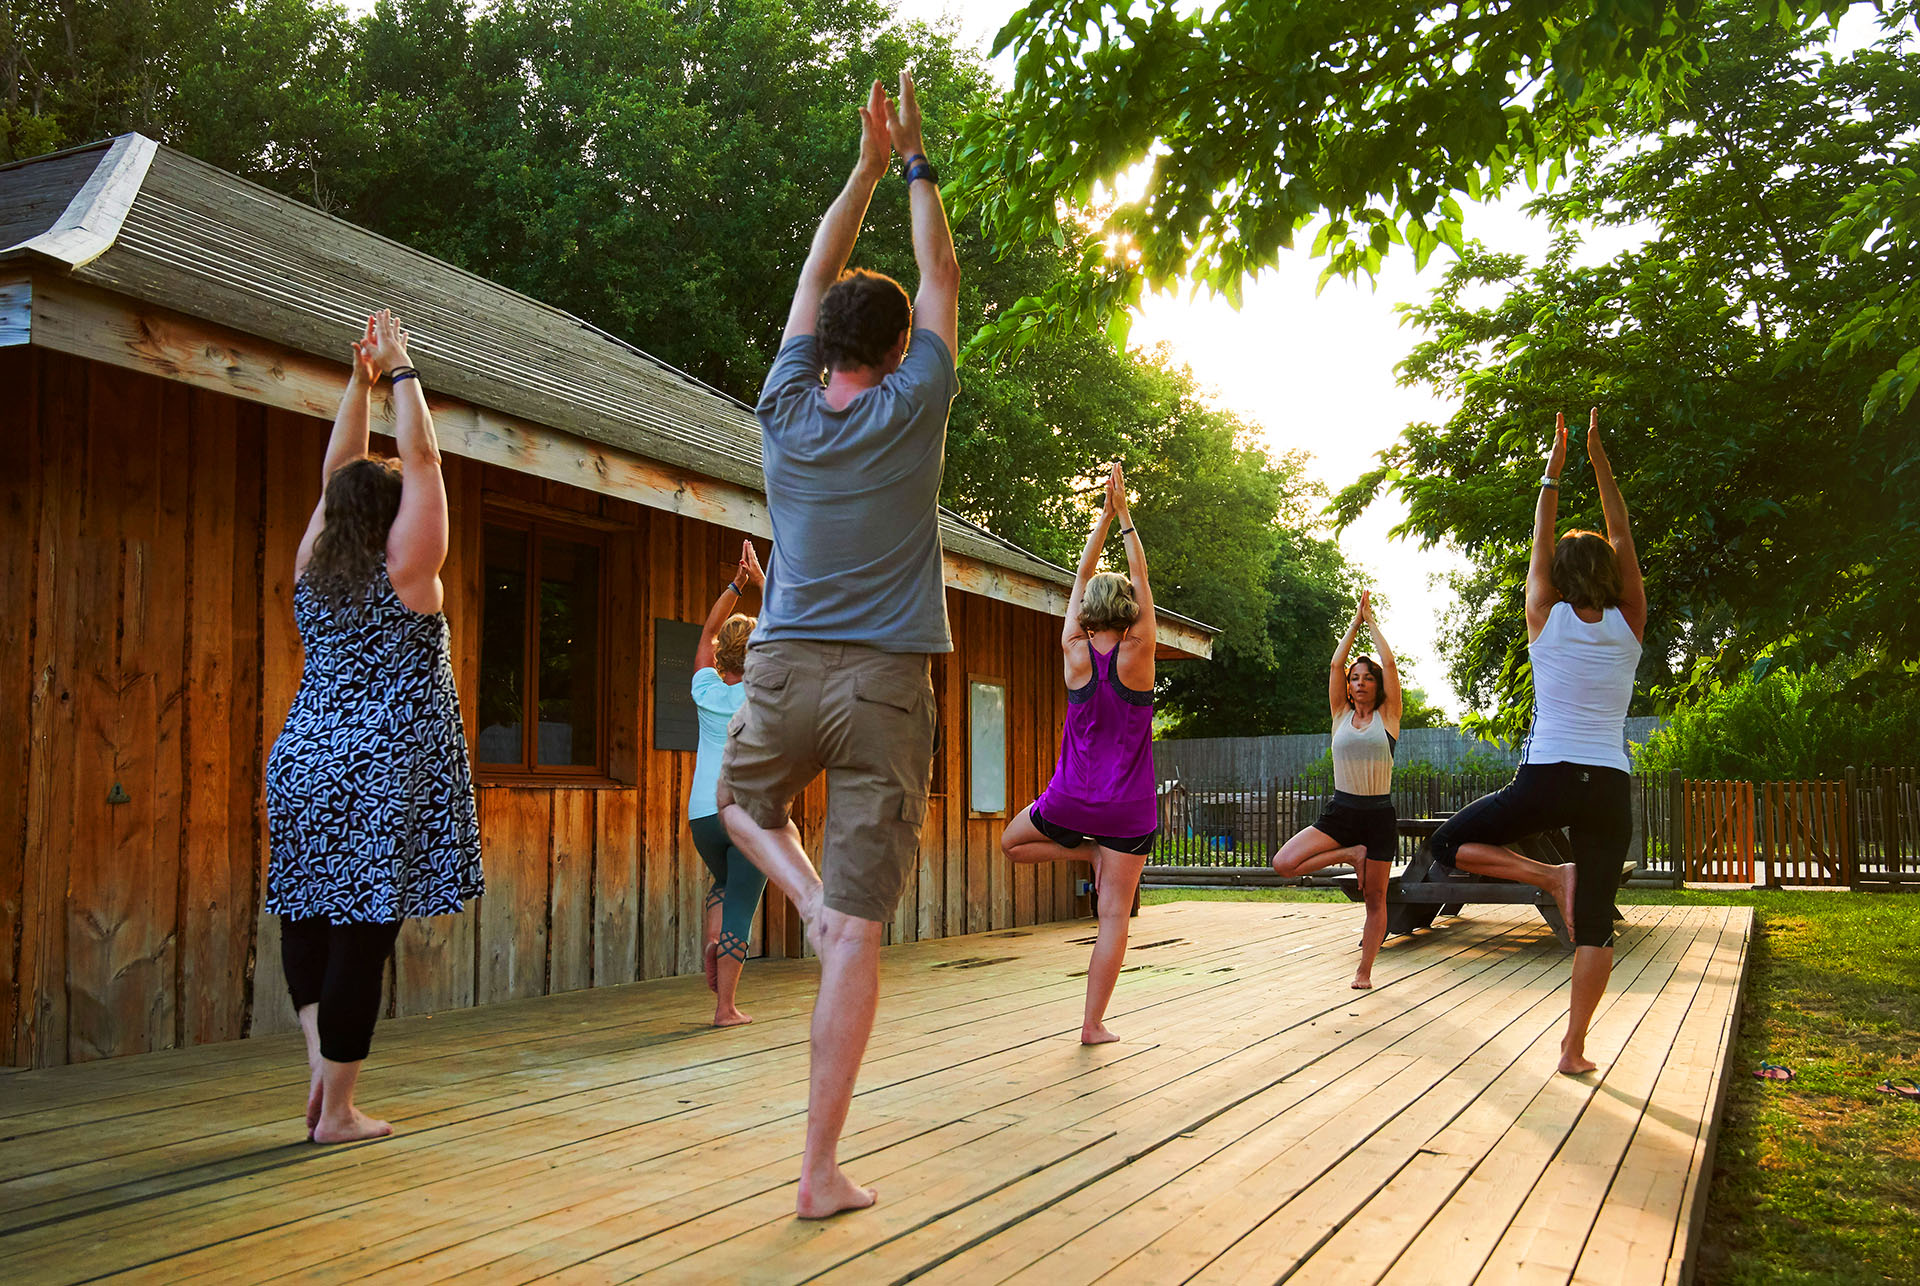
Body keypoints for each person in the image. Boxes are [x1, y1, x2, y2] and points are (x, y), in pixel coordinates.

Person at [717, 72, 960, 1218]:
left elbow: (817, 275)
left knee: (741, 807)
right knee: (857, 934)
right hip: (884, 686)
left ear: (822, 345)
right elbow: (941, 276)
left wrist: (862, 167)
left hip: (784, 665)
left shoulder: (779, 408)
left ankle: (799, 896)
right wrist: (915, 165)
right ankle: (817, 1173)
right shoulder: (916, 409)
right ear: (902, 346)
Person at [265, 310, 483, 1143]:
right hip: (379, 770)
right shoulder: (408, 568)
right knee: (362, 933)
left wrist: (354, 388)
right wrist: (401, 372)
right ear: (393, 513)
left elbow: (336, 474)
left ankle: (322, 1064)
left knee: (307, 913)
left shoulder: (311, 573)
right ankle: (341, 1111)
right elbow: (422, 457)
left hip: (304, 759)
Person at [1427, 407, 1646, 1075]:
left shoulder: (1543, 615)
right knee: (1597, 926)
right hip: (1606, 782)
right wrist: (1599, 458)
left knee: (1446, 843)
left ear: (1555, 574)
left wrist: (1552, 473)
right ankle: (1573, 1050)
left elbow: (1541, 537)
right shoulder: (1630, 619)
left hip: (1548, 773)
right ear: (1609, 572)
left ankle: (1548, 875)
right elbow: (1622, 530)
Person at [1001, 462, 1157, 1044]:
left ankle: (1085, 849)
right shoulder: (1140, 651)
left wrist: (1099, 516)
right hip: (1128, 811)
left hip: (1069, 800)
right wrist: (1125, 519)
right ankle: (1092, 1025)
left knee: (1011, 844)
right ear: (1130, 610)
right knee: (1113, 915)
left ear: (1089, 609)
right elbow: (1141, 581)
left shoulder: (1072, 648)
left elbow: (1081, 580)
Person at [1269, 590, 1401, 989]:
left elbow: (1392, 663)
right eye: (1355, 679)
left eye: (1368, 678)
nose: (1360, 683)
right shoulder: (1339, 715)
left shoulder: (1389, 717)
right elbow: (1335, 663)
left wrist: (1372, 623)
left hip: (1378, 816)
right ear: (1348, 687)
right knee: (1283, 863)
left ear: (1377, 686)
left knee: (1376, 900)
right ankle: (1348, 854)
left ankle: (1365, 971)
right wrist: (1354, 624)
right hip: (1341, 813)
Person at [689, 539, 769, 1028]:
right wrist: (761, 582)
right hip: (746, 816)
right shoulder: (763, 692)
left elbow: (707, 632)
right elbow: (790, 626)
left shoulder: (704, 688)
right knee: (743, 900)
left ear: (723, 655)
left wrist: (736, 585)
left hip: (703, 817)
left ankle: (712, 942)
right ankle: (726, 1009)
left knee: (723, 884)